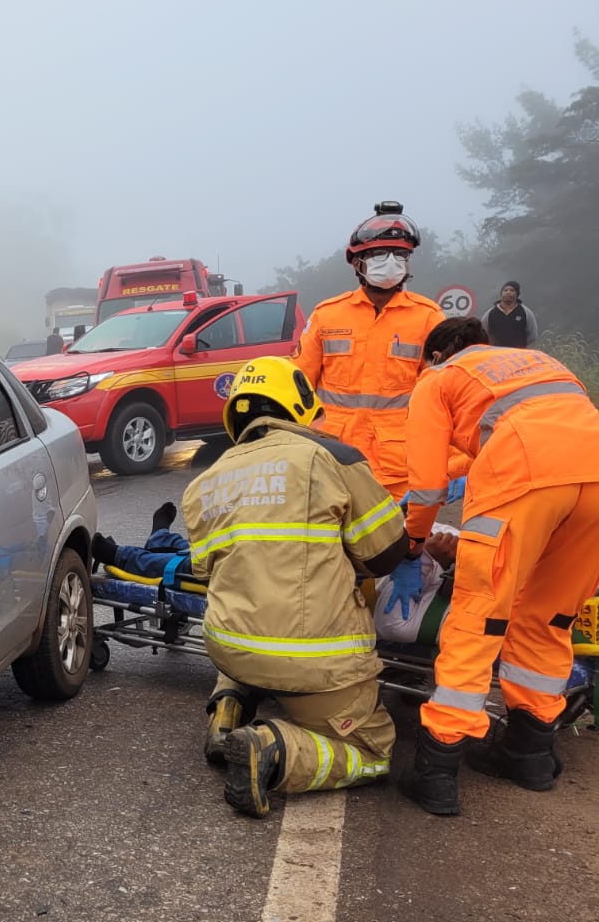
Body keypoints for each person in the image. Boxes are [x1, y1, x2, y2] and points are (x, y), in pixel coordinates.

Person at [180, 356, 409, 816]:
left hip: (231, 649)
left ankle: (226, 713)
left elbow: (207, 571)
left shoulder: (204, 483)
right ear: (299, 405)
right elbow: (387, 551)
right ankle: (273, 748)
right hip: (314, 663)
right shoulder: (332, 457)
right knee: (374, 749)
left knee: (250, 606)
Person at [396, 316, 599, 815]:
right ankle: (529, 752)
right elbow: (535, 431)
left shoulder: (436, 379)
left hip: (521, 473)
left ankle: (438, 769)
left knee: (479, 615)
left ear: (437, 356)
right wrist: (468, 471)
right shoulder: (534, 364)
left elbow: (423, 485)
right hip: (593, 474)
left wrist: (413, 542)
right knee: (549, 616)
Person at [293, 201, 445, 500]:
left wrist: (446, 465)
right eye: (378, 254)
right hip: (332, 458)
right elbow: (297, 386)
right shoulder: (327, 315)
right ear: (357, 263)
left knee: (397, 544)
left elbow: (445, 397)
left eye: (400, 255)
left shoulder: (429, 318)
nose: (390, 262)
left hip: (398, 467)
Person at [481, 281, 539, 348]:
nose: (508, 292)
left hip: (518, 354)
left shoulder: (526, 312)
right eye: (505, 290)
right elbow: (483, 334)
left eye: (512, 290)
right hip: (496, 354)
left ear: (517, 294)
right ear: (501, 293)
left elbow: (532, 336)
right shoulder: (490, 313)